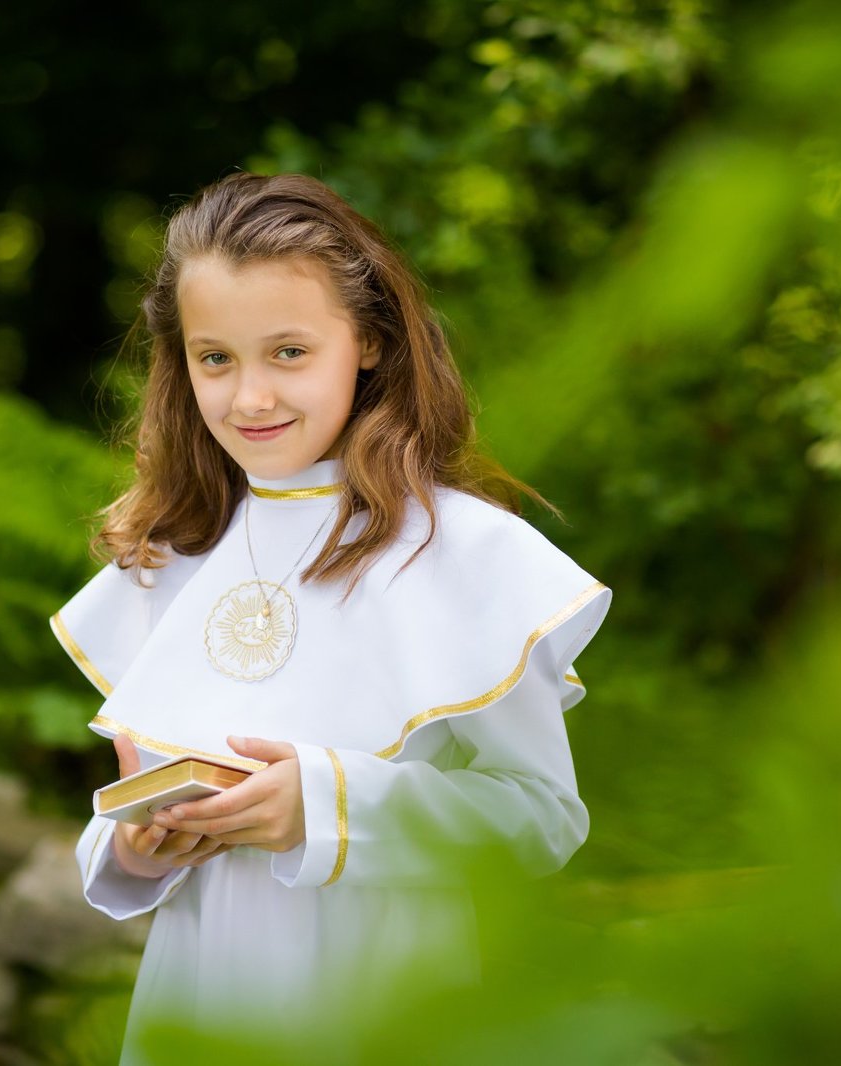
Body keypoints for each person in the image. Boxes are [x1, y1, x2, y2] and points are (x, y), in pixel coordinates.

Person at [51, 172, 612, 1062]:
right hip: (198, 998)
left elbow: (542, 819)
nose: (250, 400)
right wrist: (135, 848)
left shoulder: (463, 555)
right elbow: (118, 835)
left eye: (289, 353)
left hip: (389, 995)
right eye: (215, 359)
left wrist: (327, 805)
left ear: (371, 343)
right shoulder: (175, 549)